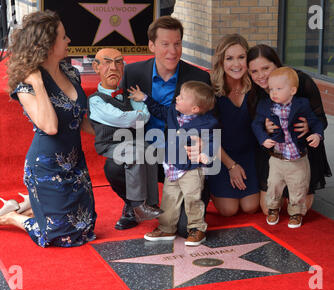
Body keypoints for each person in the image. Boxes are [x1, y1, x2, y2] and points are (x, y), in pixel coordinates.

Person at [0, 10, 97, 247]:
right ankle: (13, 216)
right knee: (60, 235)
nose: (69, 41)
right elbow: (51, 126)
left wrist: (118, 129)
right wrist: (38, 83)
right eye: (63, 37)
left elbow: (80, 119)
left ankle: (34, 206)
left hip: (75, 164)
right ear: (48, 44)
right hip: (46, 167)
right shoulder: (26, 85)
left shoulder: (71, 72)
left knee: (85, 228)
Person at [120, 15, 211, 237]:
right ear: (151, 45)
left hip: (183, 157)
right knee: (116, 163)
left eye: (177, 43)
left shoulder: (198, 76)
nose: (173, 51)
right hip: (147, 153)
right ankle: (135, 202)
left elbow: (209, 121)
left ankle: (190, 218)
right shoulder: (133, 73)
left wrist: (203, 145)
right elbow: (122, 113)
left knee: (181, 229)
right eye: (165, 44)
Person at [128, 80, 219, 246]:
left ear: (194, 109)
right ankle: (166, 227)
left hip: (192, 169)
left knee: (193, 198)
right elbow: (159, 110)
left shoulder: (207, 123)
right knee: (169, 198)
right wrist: (144, 98)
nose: (177, 98)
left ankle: (197, 228)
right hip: (172, 166)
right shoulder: (173, 112)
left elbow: (212, 141)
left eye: (182, 97)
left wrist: (206, 153)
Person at [247, 44, 332, 216]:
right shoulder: (254, 90)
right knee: (266, 208)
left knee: (302, 207)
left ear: (277, 65)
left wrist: (309, 127)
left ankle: (298, 188)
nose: (261, 75)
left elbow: (321, 119)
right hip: (275, 150)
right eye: (254, 71)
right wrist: (265, 129)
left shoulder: (301, 82)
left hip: (301, 149)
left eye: (266, 68)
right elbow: (254, 124)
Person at [87, 48, 163, 230]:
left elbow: (144, 116)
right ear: (96, 68)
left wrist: (131, 116)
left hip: (134, 142)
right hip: (110, 145)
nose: (113, 67)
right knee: (134, 153)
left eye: (118, 62)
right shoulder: (95, 100)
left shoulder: (129, 94)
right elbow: (119, 118)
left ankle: (151, 203)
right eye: (107, 62)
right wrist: (132, 116)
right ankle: (136, 204)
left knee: (149, 151)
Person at [252, 67, 324, 228]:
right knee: (273, 185)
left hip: (298, 158)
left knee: (298, 186)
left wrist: (316, 135)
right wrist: (263, 139)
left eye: (278, 89)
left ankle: (296, 212)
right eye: (271, 89)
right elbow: (256, 124)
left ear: (292, 90)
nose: (274, 93)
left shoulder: (302, 105)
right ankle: (273, 209)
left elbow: (316, 121)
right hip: (277, 157)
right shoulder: (266, 106)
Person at [205, 34, 260, 217]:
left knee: (250, 207)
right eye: (229, 58)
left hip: (249, 155)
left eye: (241, 57)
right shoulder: (211, 91)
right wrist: (231, 166)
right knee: (229, 210)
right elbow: (208, 137)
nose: (236, 64)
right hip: (220, 155)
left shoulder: (255, 88)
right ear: (221, 61)